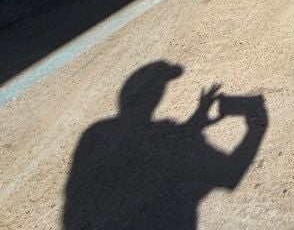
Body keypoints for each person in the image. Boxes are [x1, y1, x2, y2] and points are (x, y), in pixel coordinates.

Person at [63, 61, 267, 230]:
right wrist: (257, 128)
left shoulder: (96, 133)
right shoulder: (162, 136)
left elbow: (151, 140)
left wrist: (196, 120)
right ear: (154, 96)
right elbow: (230, 176)